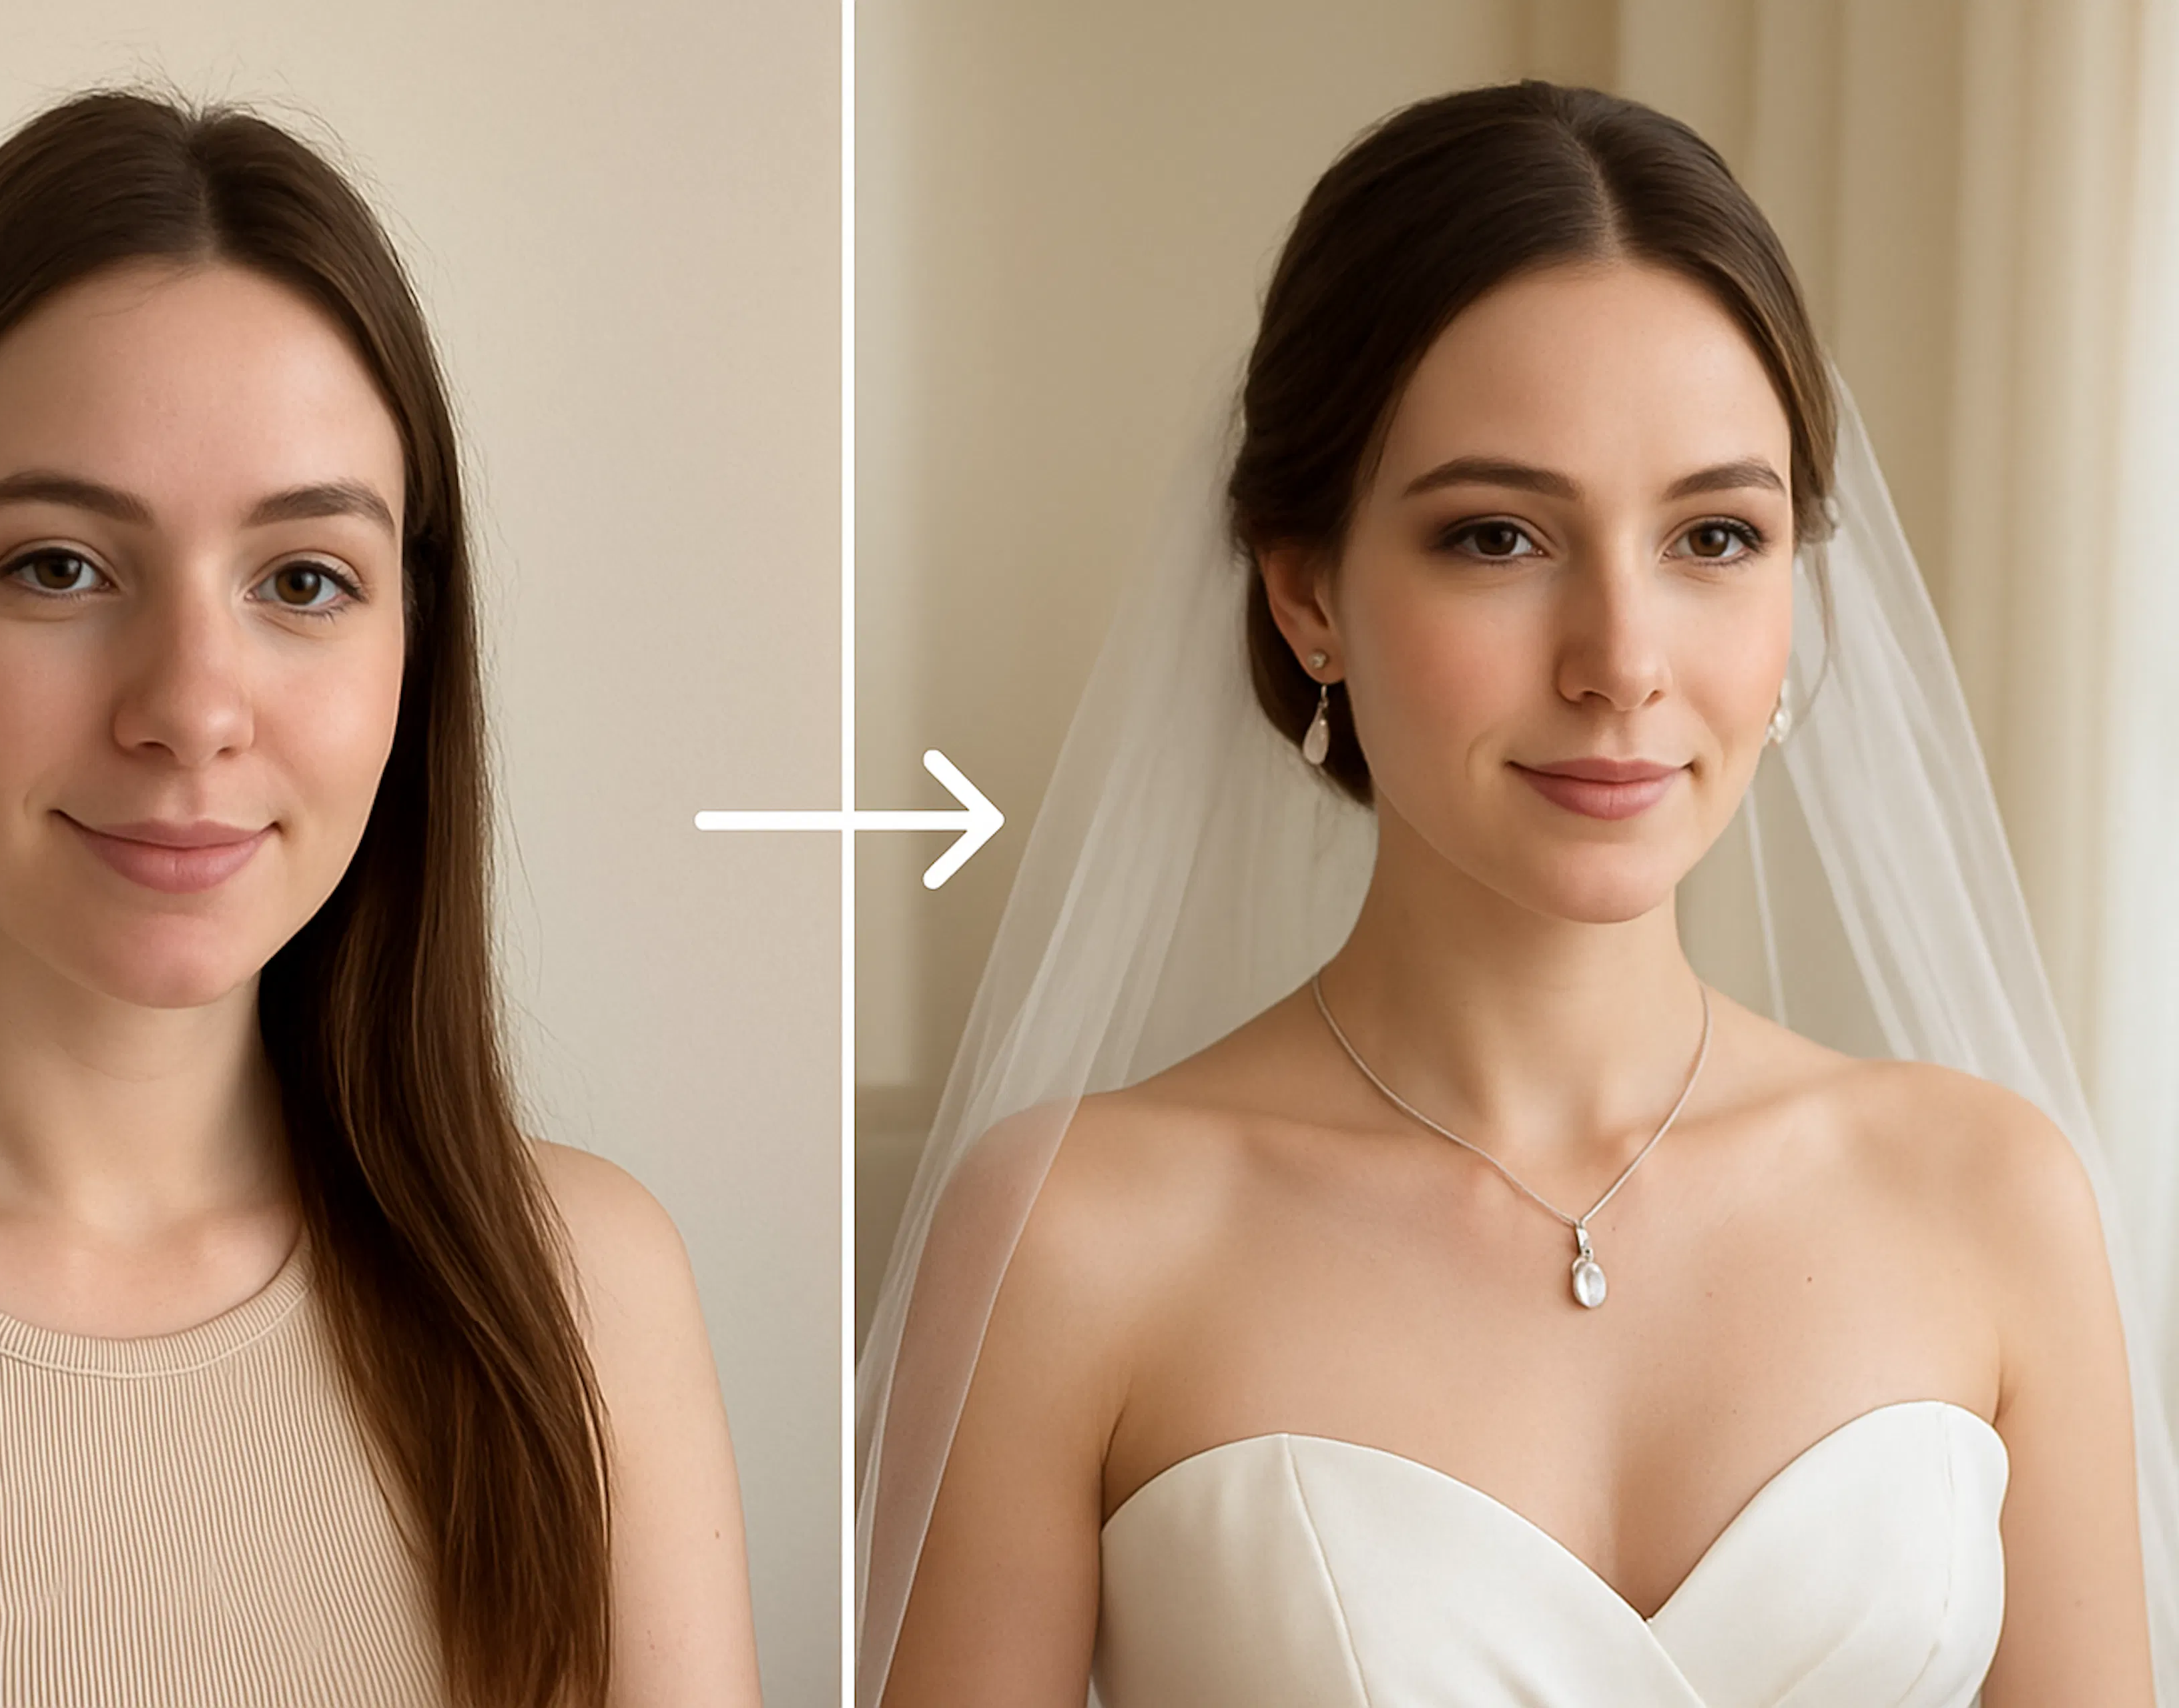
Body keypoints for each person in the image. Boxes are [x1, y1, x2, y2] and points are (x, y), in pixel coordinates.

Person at [860, 81, 2178, 1705]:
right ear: (1305, 593)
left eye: (1713, 535)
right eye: (1497, 534)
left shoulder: (1994, 1198)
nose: (1621, 662)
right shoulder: (1074, 1237)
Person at [0, 90, 761, 1708]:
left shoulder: (584, 1292)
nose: (192, 706)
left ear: (409, 645)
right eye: (61, 565)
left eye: (304, 581)